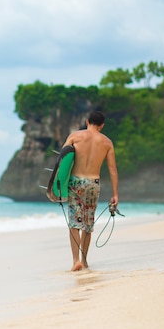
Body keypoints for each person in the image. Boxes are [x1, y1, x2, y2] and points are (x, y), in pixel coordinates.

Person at [62, 110, 119, 271]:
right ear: (102, 125)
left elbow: (62, 161)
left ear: (87, 122)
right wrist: (115, 194)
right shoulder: (107, 143)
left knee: (74, 222)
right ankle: (84, 261)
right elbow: (113, 169)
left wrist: (58, 186)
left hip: (75, 182)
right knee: (88, 223)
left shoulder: (75, 137)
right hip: (93, 184)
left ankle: (75, 261)